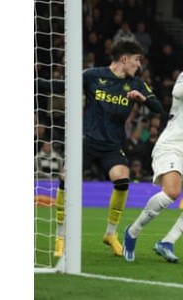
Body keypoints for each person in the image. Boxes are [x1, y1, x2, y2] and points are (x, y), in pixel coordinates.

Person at [51, 40, 165, 258]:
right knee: (66, 178)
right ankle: (60, 237)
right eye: (136, 60)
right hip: (86, 140)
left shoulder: (136, 84)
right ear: (124, 59)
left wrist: (142, 99)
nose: (138, 65)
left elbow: (158, 107)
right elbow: (62, 86)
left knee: (122, 179)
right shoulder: (93, 75)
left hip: (112, 144)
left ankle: (110, 234)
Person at [122, 41, 183, 263]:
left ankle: (167, 242)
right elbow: (177, 92)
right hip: (170, 145)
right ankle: (132, 232)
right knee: (172, 193)